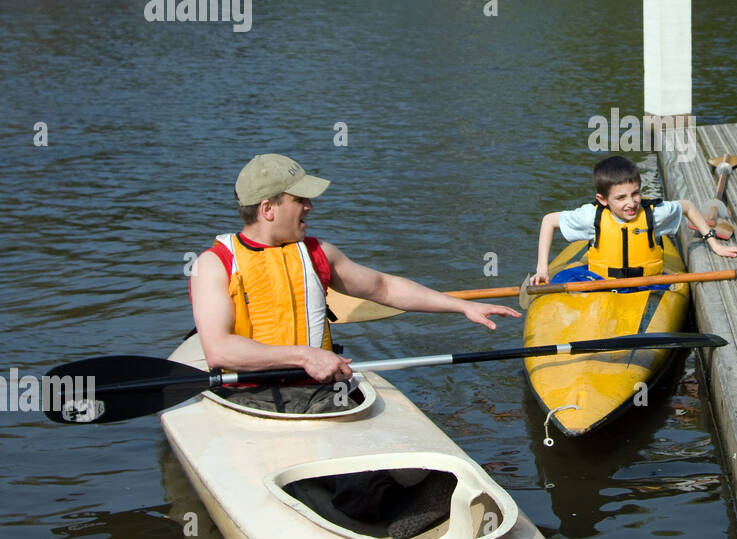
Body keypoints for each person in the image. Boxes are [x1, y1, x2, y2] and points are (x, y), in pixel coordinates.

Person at [189, 154, 519, 403]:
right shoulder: (214, 264)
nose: (309, 207)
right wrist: (305, 356)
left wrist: (460, 307)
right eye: (299, 200)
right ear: (268, 209)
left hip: (320, 391)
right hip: (248, 395)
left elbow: (385, 287)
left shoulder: (318, 253)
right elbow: (219, 350)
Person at [531, 155, 737, 286]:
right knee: (561, 279)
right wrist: (542, 268)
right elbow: (549, 221)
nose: (631, 203)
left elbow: (687, 206)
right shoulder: (591, 216)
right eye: (620, 198)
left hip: (648, 283)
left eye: (635, 194)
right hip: (601, 281)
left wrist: (714, 245)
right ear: (602, 199)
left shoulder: (654, 213)